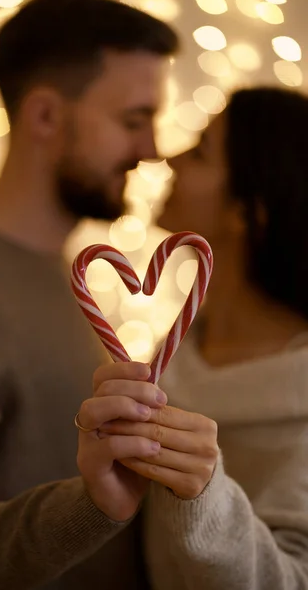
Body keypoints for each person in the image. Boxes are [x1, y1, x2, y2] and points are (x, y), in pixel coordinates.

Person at [0, 0, 178, 589]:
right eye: (133, 120)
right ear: (47, 117)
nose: (151, 149)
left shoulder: (67, 275)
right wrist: (92, 506)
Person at [86, 87, 308, 589]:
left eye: (202, 150)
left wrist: (208, 498)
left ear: (246, 211)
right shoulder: (180, 346)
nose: (170, 157)